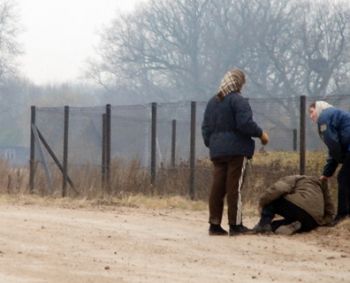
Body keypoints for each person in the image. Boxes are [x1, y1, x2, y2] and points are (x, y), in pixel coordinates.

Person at [202, 68, 269, 236]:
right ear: (239, 83)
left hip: (218, 152)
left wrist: (214, 144)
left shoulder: (212, 102)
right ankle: (236, 225)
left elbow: (205, 128)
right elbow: (245, 124)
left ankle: (214, 225)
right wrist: (261, 134)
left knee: (217, 188)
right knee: (234, 188)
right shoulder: (238, 101)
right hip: (237, 151)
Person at [309, 101, 350, 223]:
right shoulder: (334, 114)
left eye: (312, 112)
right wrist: (327, 173)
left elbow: (332, 144)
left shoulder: (324, 117)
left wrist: (340, 160)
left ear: (319, 108)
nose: (311, 116)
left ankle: (342, 215)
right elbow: (335, 147)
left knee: (343, 178)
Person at [252, 175, 335, 235]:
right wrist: (323, 222)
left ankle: (263, 224)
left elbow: (277, 189)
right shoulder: (322, 186)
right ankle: (289, 226)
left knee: (272, 198)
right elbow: (330, 208)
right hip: (313, 220)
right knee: (299, 221)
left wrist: (262, 203)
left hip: (297, 207)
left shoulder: (296, 178)